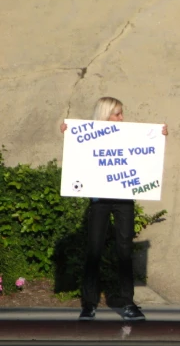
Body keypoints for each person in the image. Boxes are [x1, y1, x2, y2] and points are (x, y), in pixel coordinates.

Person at [61, 97, 168, 322]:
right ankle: (89, 304)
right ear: (105, 115)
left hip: (123, 200)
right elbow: (78, 153)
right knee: (94, 250)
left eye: (121, 114)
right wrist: (69, 134)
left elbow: (145, 151)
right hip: (99, 200)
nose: (121, 118)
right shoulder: (90, 136)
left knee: (124, 250)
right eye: (117, 114)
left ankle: (128, 303)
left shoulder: (128, 136)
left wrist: (159, 137)